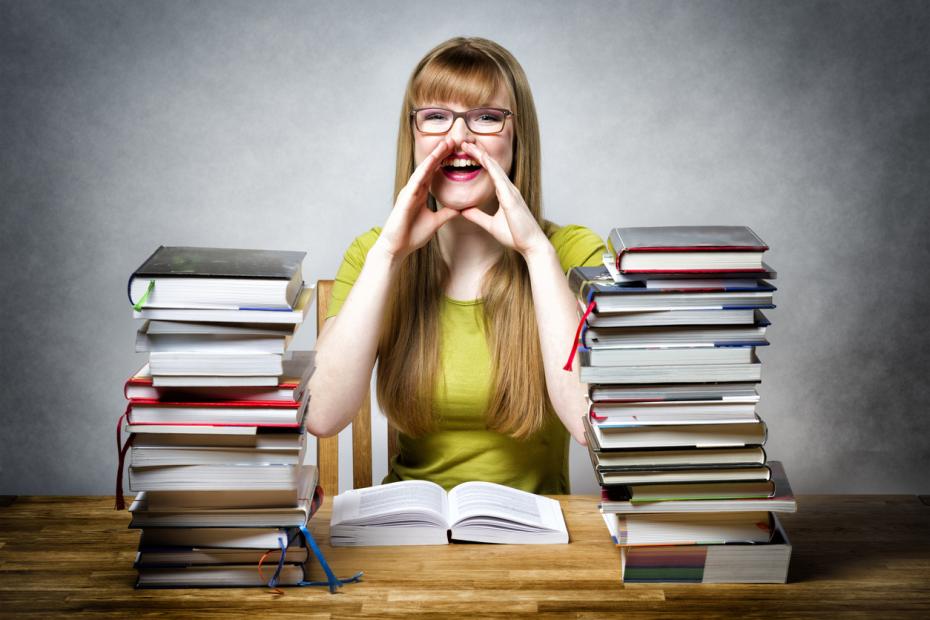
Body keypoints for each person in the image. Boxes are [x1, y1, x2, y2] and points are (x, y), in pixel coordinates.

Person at [306, 36, 605, 494]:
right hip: (408, 534)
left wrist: (537, 252)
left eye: (486, 117)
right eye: (436, 118)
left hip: (536, 544)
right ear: (413, 137)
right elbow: (322, 413)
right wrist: (388, 255)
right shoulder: (374, 253)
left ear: (517, 135)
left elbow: (591, 425)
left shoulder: (573, 252)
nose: (458, 138)